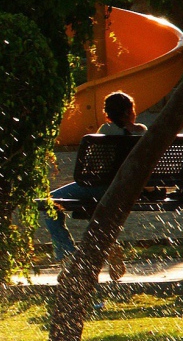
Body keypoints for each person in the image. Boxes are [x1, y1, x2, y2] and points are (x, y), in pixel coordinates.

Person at [43, 91, 144, 280]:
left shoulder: (106, 131)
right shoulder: (142, 131)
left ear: (107, 114)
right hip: (127, 189)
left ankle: (69, 259)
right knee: (96, 207)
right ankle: (109, 245)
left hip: (100, 186)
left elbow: (90, 168)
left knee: (49, 204)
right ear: (131, 111)